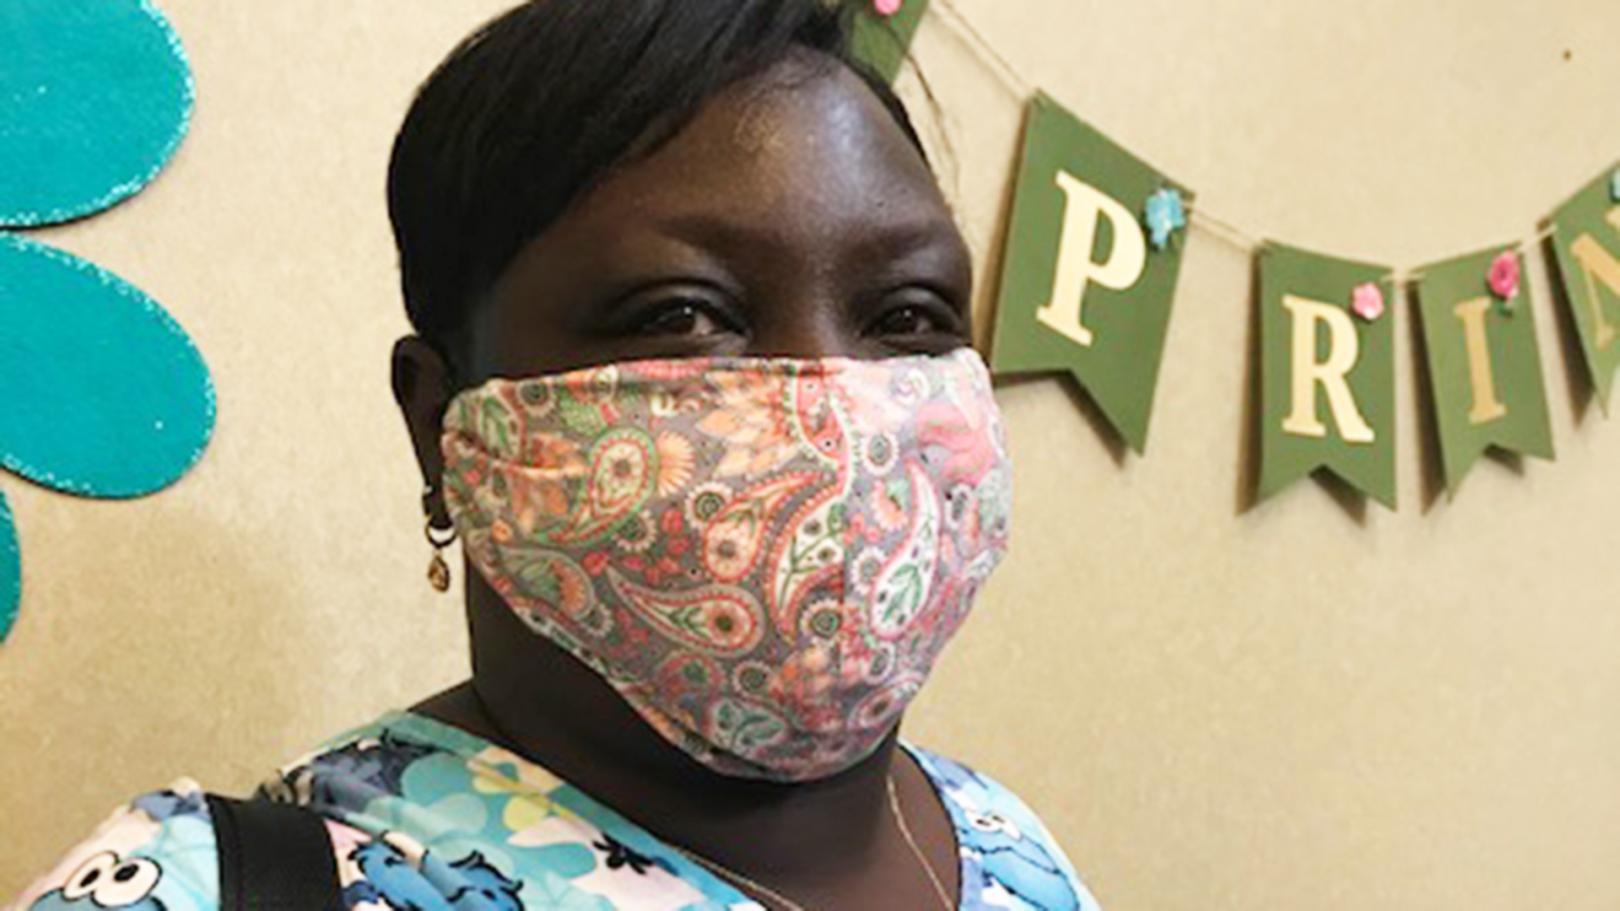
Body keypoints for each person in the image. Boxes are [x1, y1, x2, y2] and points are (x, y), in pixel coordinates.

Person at [8, 2, 1100, 909]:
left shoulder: (1010, 843)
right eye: (680, 313)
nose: (837, 411)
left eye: (909, 316)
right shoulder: (207, 891)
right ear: (442, 421)